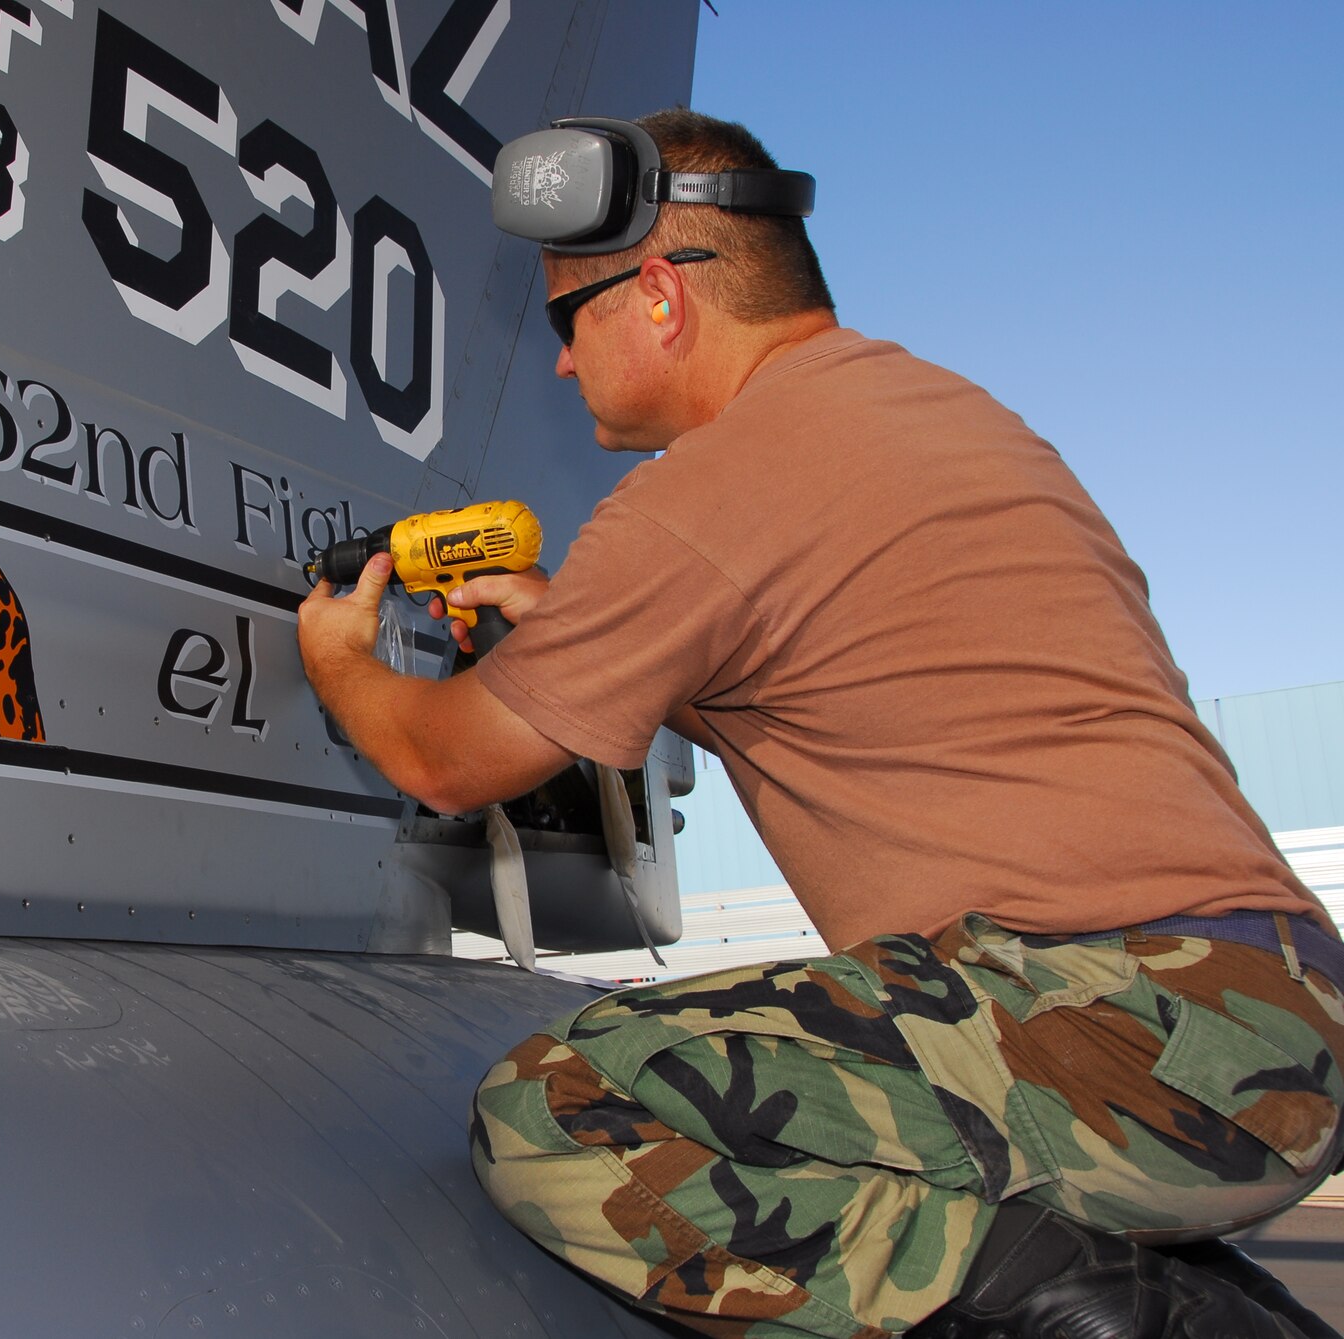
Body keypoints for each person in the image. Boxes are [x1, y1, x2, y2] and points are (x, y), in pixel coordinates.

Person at [297, 106, 1344, 1338]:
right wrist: (583, 630)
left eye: (563, 323)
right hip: (1265, 1015)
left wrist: (342, 661)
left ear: (658, 297)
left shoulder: (704, 491)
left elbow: (444, 757)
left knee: (563, 1102)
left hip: (1116, 1020)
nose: (565, 365)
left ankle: (1130, 1326)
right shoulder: (945, 420)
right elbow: (833, 675)